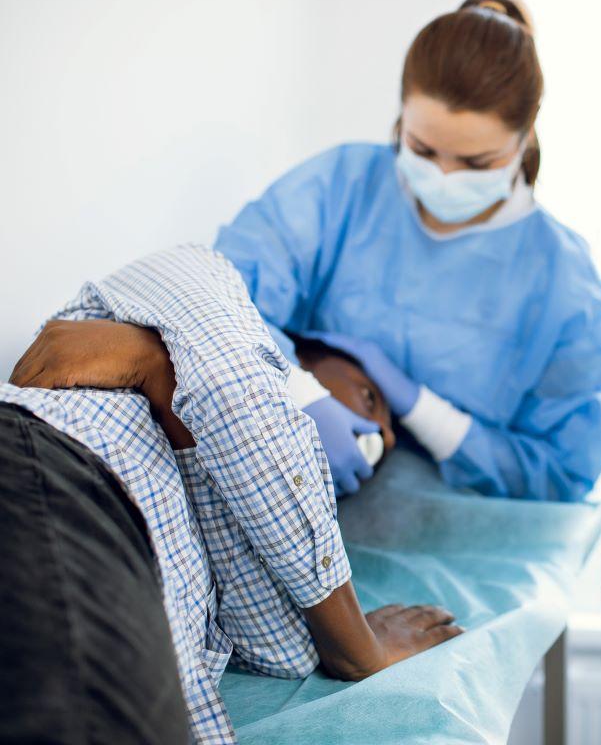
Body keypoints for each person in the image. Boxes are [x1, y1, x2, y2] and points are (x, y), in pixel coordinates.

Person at [3, 246, 461, 742]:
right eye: (371, 399)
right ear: (305, 354)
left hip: (129, 572)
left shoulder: (242, 489)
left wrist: (159, 374)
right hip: (58, 477)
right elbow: (231, 388)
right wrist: (359, 646)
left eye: (385, 445)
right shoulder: (198, 273)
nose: (381, 438)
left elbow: (279, 651)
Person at [212, 0, 601, 499]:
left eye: (476, 163)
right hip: (289, 488)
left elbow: (560, 473)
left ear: (525, 137)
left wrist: (424, 410)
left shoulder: (563, 282)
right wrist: (299, 390)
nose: (444, 176)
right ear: (401, 115)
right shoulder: (341, 187)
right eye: (424, 150)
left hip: (458, 551)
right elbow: (220, 298)